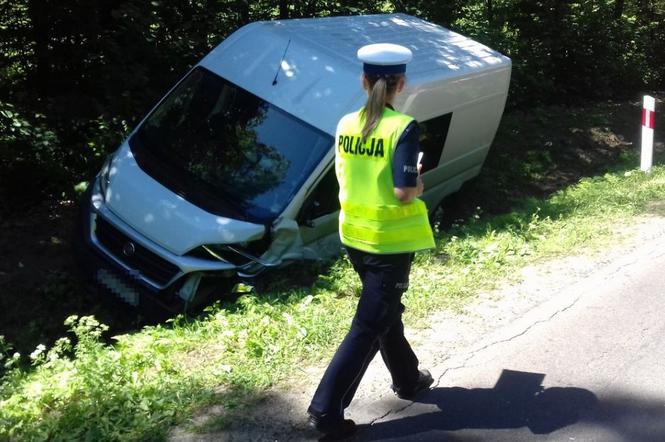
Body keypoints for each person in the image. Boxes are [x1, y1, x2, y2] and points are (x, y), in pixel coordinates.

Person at [307, 43, 436, 440]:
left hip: (354, 236)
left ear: (364, 82)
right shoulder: (403, 127)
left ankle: (409, 379)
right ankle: (326, 411)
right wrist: (418, 178)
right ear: (401, 84)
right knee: (368, 323)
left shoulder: (346, 123)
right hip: (388, 243)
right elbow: (402, 192)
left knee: (383, 312)